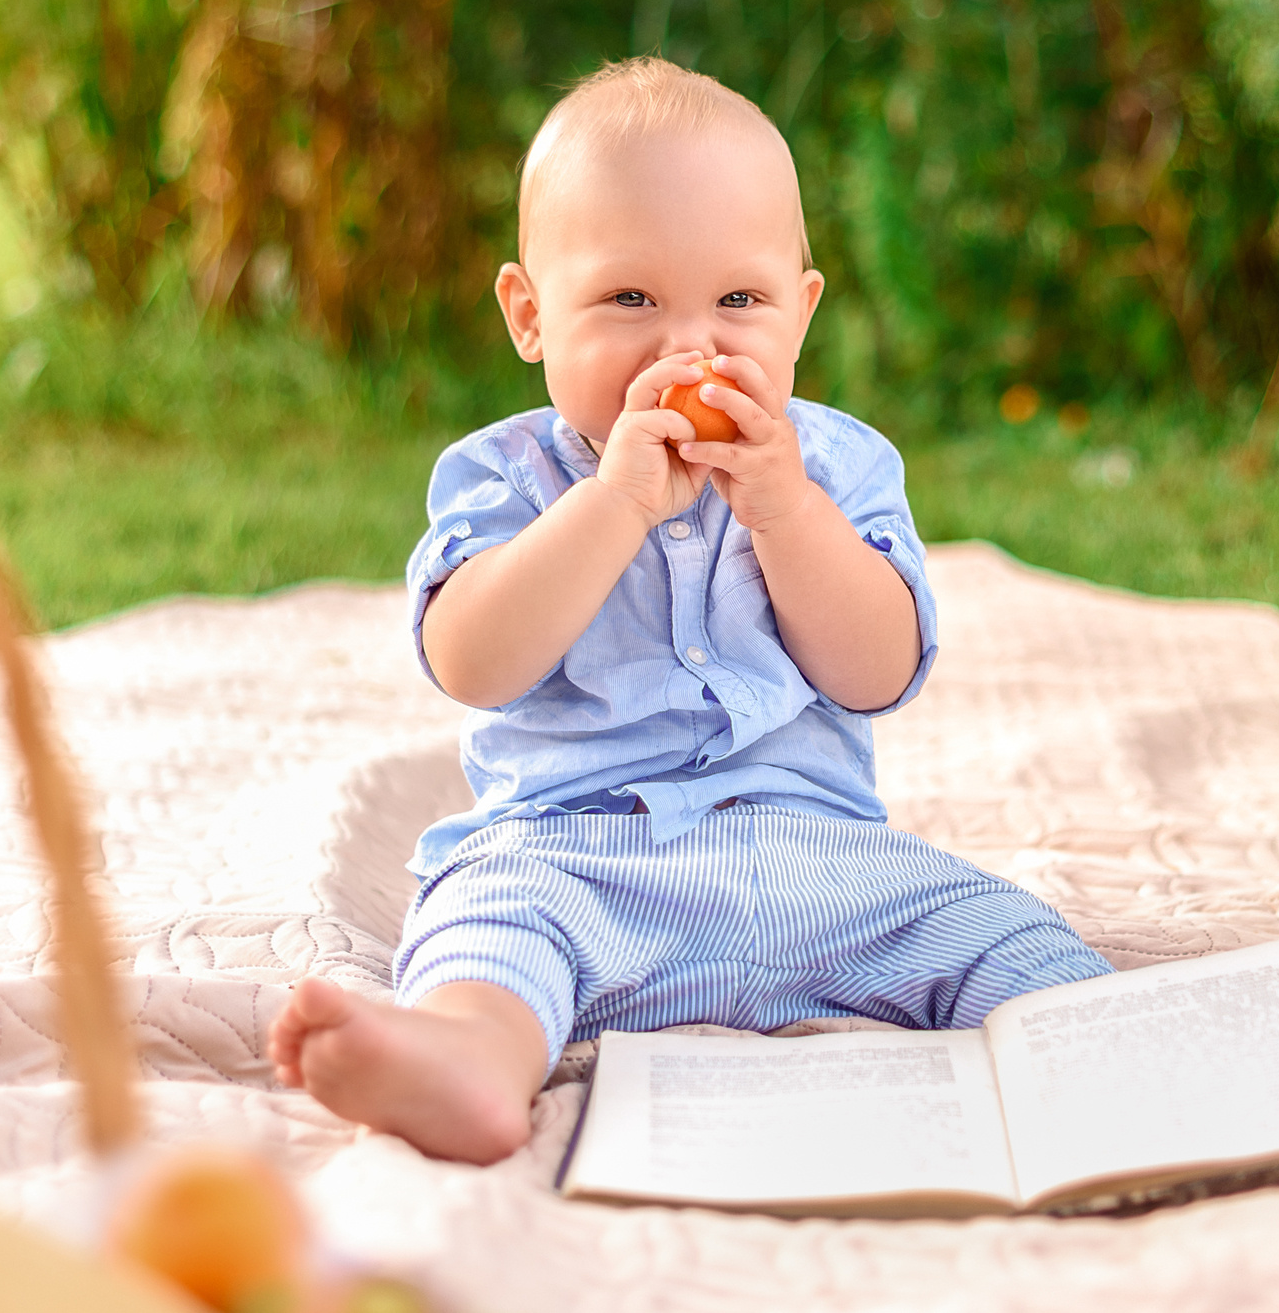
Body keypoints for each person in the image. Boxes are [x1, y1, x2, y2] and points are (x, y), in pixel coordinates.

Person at [269, 57, 1110, 1163]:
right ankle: (469, 1059)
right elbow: (472, 660)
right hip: (577, 859)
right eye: (630, 299)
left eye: (739, 301)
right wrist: (613, 503)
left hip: (826, 864)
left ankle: (1114, 1057)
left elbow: (877, 671)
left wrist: (786, 510)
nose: (689, 347)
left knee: (1007, 933)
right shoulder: (504, 475)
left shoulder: (835, 466)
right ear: (529, 313)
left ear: (800, 314)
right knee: (486, 932)